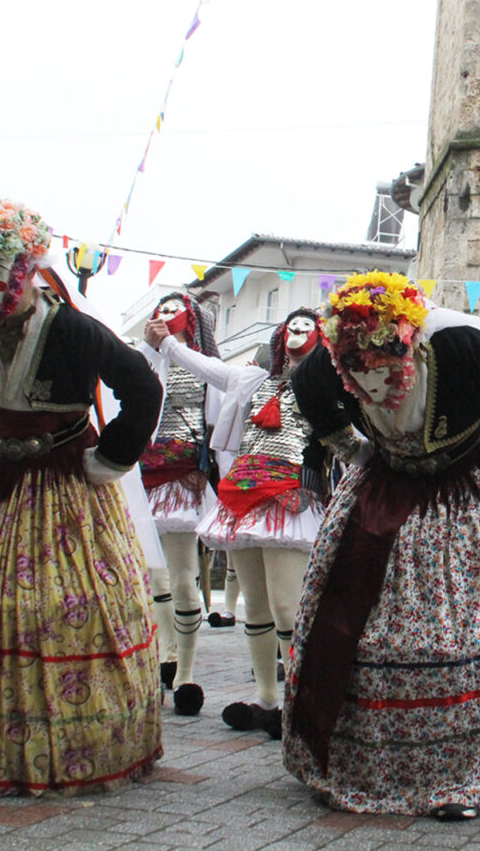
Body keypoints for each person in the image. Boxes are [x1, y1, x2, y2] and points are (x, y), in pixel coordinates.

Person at [283, 272, 480, 819]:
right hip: (381, 494)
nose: (373, 390)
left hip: (468, 497)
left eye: (385, 375)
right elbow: (305, 387)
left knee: (472, 636)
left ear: (408, 344)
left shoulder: (459, 343)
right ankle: (359, 763)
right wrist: (351, 448)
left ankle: (468, 773)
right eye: (360, 380)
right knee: (355, 629)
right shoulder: (335, 352)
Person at [0, 200, 164, 795]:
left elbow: (143, 385)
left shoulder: (71, 326)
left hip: (67, 484)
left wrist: (110, 459)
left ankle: (79, 741)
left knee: (71, 608)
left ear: (27, 268)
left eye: (0, 272)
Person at [145, 307, 331, 738]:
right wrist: (169, 344)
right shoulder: (252, 380)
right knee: (258, 607)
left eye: (307, 328)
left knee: (288, 605)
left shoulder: (328, 385)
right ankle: (267, 697)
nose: (297, 333)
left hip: (291, 497)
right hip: (242, 496)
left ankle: (298, 701)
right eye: (292, 327)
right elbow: (207, 367)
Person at [135, 291, 221, 717]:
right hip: (144, 478)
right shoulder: (142, 357)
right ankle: (161, 657)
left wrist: (206, 469)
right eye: (161, 309)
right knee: (153, 577)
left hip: (185, 477)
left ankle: (185, 671)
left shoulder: (201, 363)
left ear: (192, 319)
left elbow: (219, 423)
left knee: (184, 578)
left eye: (174, 310)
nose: (166, 316)